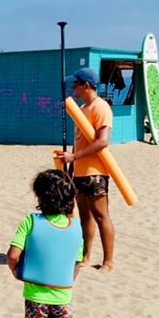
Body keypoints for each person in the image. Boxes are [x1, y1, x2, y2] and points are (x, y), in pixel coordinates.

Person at [6, 169, 83, 318]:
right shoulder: (76, 227)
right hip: (63, 298)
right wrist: (66, 281)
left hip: (36, 297)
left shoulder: (31, 221)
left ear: (40, 196)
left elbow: (13, 255)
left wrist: (16, 272)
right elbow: (77, 262)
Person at [55, 67, 115, 273]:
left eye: (76, 84)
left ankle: (108, 262)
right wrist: (70, 168)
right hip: (79, 171)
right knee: (84, 216)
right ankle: (86, 256)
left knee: (101, 215)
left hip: (96, 171)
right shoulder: (81, 109)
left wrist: (75, 157)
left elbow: (102, 142)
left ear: (86, 85)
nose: (74, 88)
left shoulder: (101, 107)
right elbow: (77, 143)